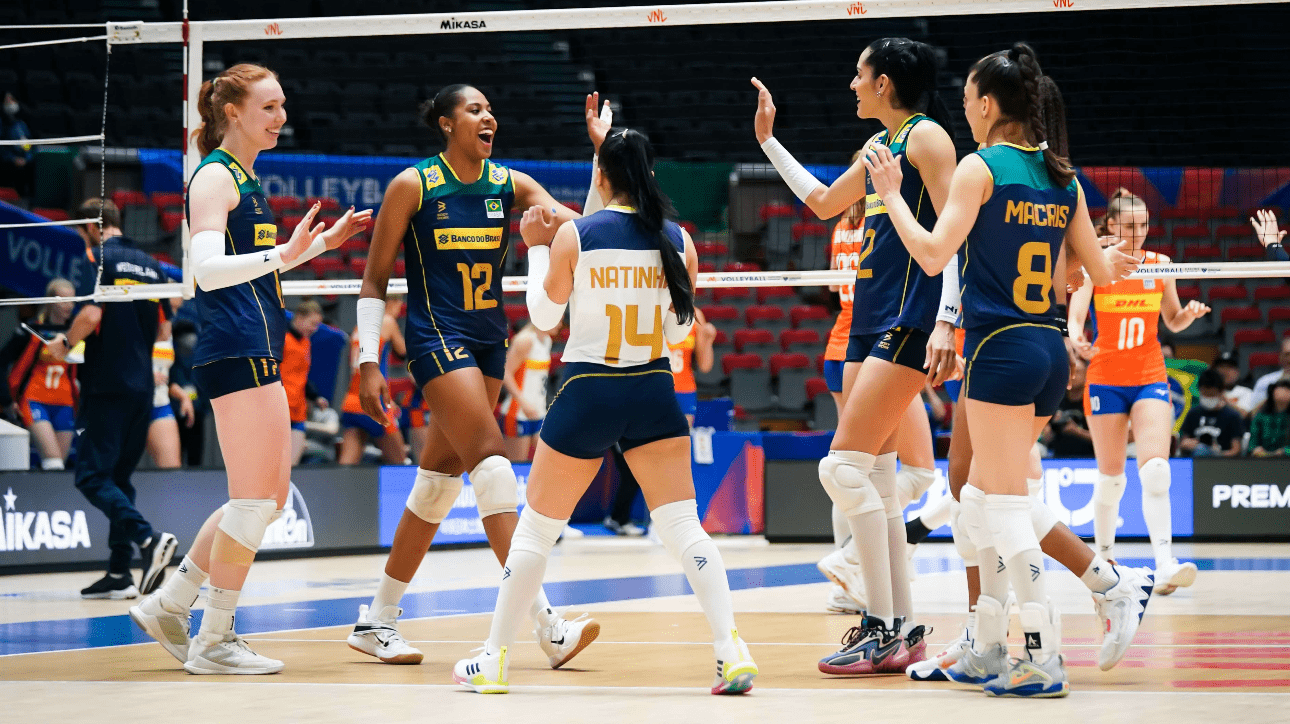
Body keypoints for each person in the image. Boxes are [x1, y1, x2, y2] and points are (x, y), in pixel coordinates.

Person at [863, 42, 1142, 695]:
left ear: (988, 104)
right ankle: (989, 644)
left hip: (1001, 349)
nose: (964, 110)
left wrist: (893, 196)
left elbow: (934, 256)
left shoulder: (978, 168)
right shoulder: (1062, 176)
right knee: (980, 502)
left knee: (1003, 508)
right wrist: (1109, 261)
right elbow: (1096, 276)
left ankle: (1046, 651)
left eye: (966, 99)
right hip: (1045, 351)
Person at [454, 127, 757, 695]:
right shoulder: (679, 240)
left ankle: (493, 659)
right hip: (653, 389)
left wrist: (536, 244)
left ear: (600, 176)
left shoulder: (577, 233)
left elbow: (544, 318)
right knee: (684, 530)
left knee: (536, 535)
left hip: (590, 388)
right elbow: (679, 329)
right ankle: (730, 649)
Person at [347, 85, 601, 667]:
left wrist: (597, 153)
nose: (489, 117)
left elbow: (580, 224)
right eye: (475, 110)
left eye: (491, 109)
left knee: (436, 481)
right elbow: (374, 280)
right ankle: (545, 624)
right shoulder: (412, 185)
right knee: (492, 463)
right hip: (437, 339)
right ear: (445, 123)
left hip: (490, 341)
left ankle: (376, 619)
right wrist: (368, 362)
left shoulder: (506, 183)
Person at [128, 63, 369, 674]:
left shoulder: (247, 178)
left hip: (254, 343)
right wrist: (282, 253)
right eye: (268, 107)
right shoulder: (213, 178)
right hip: (233, 346)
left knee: (264, 498)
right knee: (256, 501)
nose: (281, 117)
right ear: (231, 111)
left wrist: (317, 247)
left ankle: (172, 604)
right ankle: (213, 638)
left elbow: (261, 265)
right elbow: (205, 271)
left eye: (282, 105)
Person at [755, 37, 960, 673]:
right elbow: (820, 203)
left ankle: (881, 622)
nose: (852, 84)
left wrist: (948, 321)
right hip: (868, 323)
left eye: (860, 74)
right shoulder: (879, 149)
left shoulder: (927, 139)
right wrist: (767, 141)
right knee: (876, 485)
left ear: (887, 83)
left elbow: (957, 234)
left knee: (840, 469)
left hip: (909, 319)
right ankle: (902, 632)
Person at [1067, 188, 1210, 594]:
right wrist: (1076, 339)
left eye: (1143, 224)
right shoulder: (1096, 265)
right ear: (1111, 225)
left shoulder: (1160, 265)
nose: (1139, 232)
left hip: (1149, 375)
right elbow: (1076, 318)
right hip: (1106, 379)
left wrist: (1188, 315)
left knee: (1157, 471)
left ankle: (1165, 564)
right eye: (1129, 225)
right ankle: (1105, 559)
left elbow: (1174, 321)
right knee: (1111, 479)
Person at [46, 198, 178, 600]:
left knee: (90, 475)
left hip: (107, 385)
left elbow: (91, 316)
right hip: (141, 388)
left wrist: (64, 343)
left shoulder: (97, 257)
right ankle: (120, 573)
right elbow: (162, 330)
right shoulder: (151, 265)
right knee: (118, 479)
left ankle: (148, 539)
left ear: (91, 225)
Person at [0, 278, 78, 469]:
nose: (69, 305)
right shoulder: (30, 330)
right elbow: (2, 363)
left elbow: (84, 370)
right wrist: (8, 401)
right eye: (63, 300)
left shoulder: (77, 331)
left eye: (72, 300)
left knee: (60, 465)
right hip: (35, 399)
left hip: (65, 402)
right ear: (51, 301)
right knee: (53, 461)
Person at [339, 297, 407, 465]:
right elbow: (403, 352)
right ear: (393, 302)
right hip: (375, 403)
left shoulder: (359, 325)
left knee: (347, 465)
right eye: (400, 303)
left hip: (352, 402)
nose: (401, 308)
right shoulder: (388, 321)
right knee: (400, 462)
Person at [499, 319, 558, 462]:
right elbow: (505, 372)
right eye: (559, 319)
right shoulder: (525, 340)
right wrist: (524, 403)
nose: (561, 324)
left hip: (538, 411)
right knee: (516, 464)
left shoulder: (547, 341)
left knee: (545, 461)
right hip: (519, 412)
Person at [282, 299, 324, 466]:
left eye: (317, 325)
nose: (314, 329)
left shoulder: (306, 343)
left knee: (292, 463)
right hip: (279, 409)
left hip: (298, 411)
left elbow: (302, 377)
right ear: (299, 317)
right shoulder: (282, 340)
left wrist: (315, 397)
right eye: (312, 324)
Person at [145, 335, 194, 469]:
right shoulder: (121, 318)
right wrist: (141, 376)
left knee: (171, 471)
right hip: (123, 407)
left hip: (158, 405)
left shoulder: (168, 325)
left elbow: (167, 375)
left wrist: (183, 396)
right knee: (114, 475)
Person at [1180, 368, 1244, 457]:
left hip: (1222, 462)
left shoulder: (1232, 416)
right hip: (1194, 461)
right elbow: (1183, 442)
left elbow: (1236, 450)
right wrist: (1186, 444)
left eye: (1211, 395)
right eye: (1205, 395)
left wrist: (1218, 454)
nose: (1208, 398)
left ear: (1221, 392)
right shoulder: (1193, 413)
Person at [1039, 357, 1094, 458]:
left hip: (1090, 458)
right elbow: (1041, 423)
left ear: (1086, 374)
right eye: (1070, 372)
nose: (1073, 377)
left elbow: (1104, 439)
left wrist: (1077, 431)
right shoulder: (1055, 397)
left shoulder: (1093, 399)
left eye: (1078, 372)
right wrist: (1045, 429)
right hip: (1057, 456)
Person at [0, 91, 33, 197]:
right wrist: (12, 159)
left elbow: (28, 145)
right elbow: (2, 149)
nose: (10, 103)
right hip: (7, 161)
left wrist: (27, 159)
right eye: (7, 101)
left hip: (23, 161)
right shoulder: (2, 124)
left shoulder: (22, 123)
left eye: (12, 100)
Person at [1248, 379, 1290, 456]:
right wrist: (1255, 449)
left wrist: (1284, 451)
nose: (1283, 393)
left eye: (1287, 390)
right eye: (1280, 389)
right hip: (1263, 460)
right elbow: (1252, 443)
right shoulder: (1261, 416)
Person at [1249, 337, 1290, 412]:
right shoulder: (1265, 381)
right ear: (1280, 357)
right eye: (1287, 354)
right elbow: (1253, 414)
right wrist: (1273, 395)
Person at [1214, 351, 1255, 416]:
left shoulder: (1246, 392)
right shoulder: (1206, 391)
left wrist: (1224, 399)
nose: (1224, 371)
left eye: (1229, 367)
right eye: (1221, 367)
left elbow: (1245, 415)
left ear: (1237, 372)